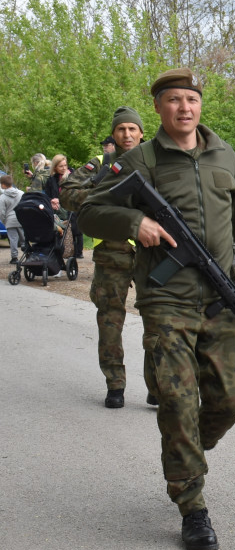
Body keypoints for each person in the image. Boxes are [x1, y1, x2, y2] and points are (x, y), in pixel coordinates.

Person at [79, 68, 235, 550]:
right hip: (166, 298)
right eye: (173, 100)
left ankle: (189, 448)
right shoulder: (138, 160)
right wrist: (135, 220)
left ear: (200, 104)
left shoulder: (224, 154)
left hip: (222, 294)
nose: (184, 108)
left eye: (191, 99)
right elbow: (87, 211)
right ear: (158, 107)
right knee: (175, 400)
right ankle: (192, 504)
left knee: (233, 395)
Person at [59, 106, 153, 409]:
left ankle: (158, 384)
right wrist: (107, 196)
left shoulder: (158, 161)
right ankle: (115, 385)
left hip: (153, 252)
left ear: (141, 133)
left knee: (159, 321)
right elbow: (68, 193)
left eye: (132, 129)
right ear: (113, 134)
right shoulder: (101, 164)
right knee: (110, 322)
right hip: (112, 253)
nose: (127, 134)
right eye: (121, 129)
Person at [0, 173, 25, 263]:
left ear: (3, 185)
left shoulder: (2, 197)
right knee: (24, 238)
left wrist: (4, 221)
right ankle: (28, 254)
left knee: (13, 239)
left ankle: (14, 258)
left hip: (10, 220)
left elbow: (2, 212)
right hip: (21, 219)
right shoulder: (21, 193)